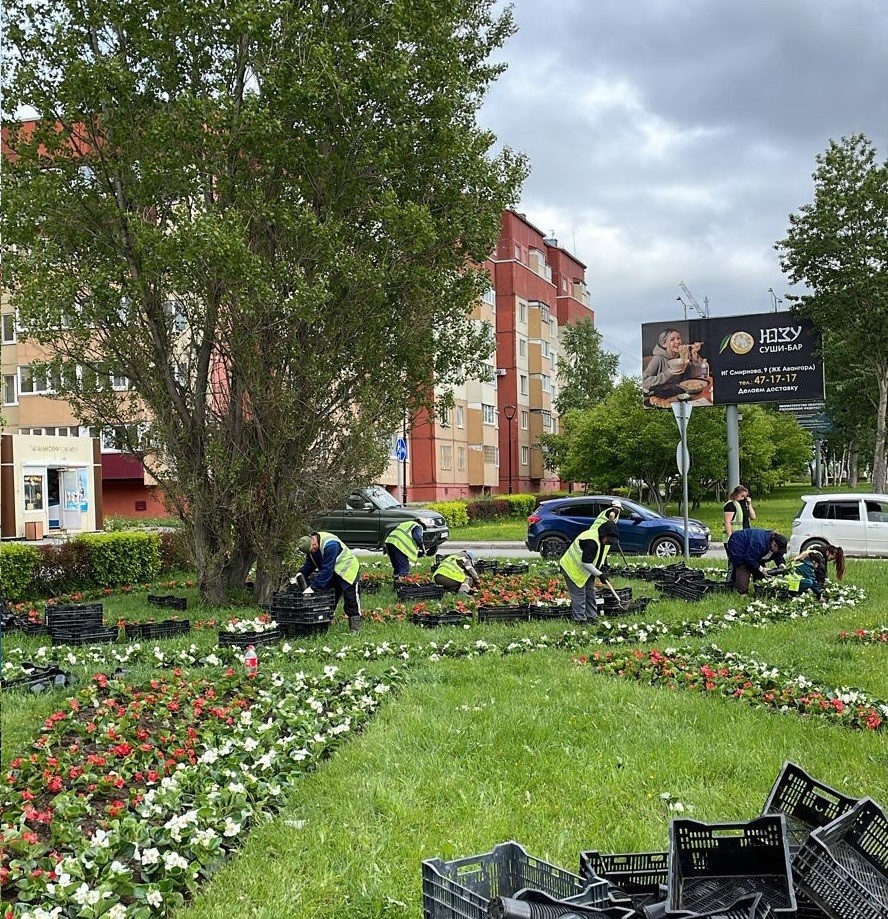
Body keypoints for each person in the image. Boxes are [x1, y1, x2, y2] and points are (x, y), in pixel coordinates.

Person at [295, 532, 363, 632]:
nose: (312, 552)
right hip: (333, 573)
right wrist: (301, 573)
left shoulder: (331, 545)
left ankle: (355, 629)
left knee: (351, 600)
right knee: (329, 600)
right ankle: (323, 627)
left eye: (312, 550)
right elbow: (311, 563)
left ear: (314, 544)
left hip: (347, 571)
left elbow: (327, 570)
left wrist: (312, 588)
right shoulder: (313, 546)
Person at [559, 520, 620, 623]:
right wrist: (599, 574)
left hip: (587, 570)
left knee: (590, 592)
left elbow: (599, 556)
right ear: (603, 534)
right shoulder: (591, 541)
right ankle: (580, 620)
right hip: (572, 568)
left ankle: (591, 617)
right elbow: (586, 562)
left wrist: (602, 569)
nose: (609, 542)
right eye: (608, 539)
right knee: (580, 594)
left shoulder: (604, 541)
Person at [642, 328, 704, 402]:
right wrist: (668, 374)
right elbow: (644, 381)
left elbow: (694, 375)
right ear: (664, 344)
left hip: (681, 394)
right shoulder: (658, 359)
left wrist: (694, 354)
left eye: (678, 338)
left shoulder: (682, 357)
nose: (677, 342)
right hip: (662, 397)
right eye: (672, 340)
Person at [725, 528, 788, 596]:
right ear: (774, 544)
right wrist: (761, 569)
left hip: (753, 549)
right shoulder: (759, 544)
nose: (780, 552)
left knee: (758, 567)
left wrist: (781, 564)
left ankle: (759, 590)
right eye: (779, 550)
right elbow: (749, 559)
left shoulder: (775, 545)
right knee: (743, 566)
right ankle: (742, 592)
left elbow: (778, 556)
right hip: (738, 542)